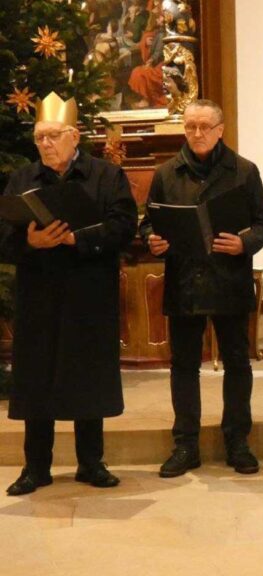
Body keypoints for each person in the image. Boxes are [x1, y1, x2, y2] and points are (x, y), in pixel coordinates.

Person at [0, 92, 137, 495]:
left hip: (88, 292)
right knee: (38, 375)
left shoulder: (106, 176)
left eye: (54, 136)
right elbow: (4, 237)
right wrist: (33, 243)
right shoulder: (23, 179)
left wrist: (76, 240)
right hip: (39, 293)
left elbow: (124, 225)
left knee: (87, 375)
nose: (45, 144)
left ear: (74, 136)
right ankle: (35, 467)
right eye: (40, 137)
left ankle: (91, 463)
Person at [140, 99, 263, 477]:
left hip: (229, 278)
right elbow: (149, 222)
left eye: (204, 126)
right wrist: (153, 240)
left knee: (236, 362)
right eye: (190, 127)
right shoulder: (167, 173)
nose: (197, 134)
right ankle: (185, 445)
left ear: (220, 129)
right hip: (185, 281)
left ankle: (238, 442)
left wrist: (244, 243)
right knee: (184, 366)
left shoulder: (244, 171)